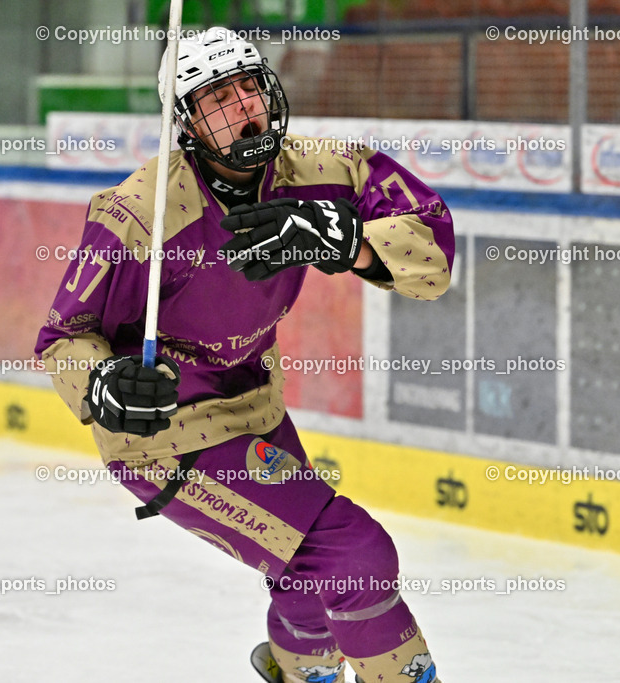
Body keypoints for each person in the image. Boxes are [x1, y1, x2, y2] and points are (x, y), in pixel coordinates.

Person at [35, 26, 453, 683]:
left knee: (305, 570)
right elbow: (65, 335)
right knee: (355, 556)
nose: (244, 108)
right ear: (186, 123)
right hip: (165, 435)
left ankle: (298, 670)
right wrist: (104, 385)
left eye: (249, 87)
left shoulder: (322, 172)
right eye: (217, 99)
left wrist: (350, 243)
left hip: (255, 406)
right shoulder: (140, 215)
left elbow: (432, 252)